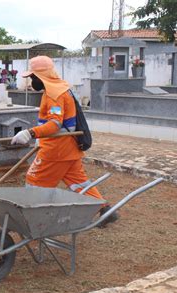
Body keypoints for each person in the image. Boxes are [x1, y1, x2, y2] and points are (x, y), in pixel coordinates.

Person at [11, 55, 118, 227]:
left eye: (33, 77)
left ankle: (36, 218)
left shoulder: (54, 94)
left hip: (56, 150)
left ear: (42, 76)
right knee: (78, 182)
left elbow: (55, 123)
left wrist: (30, 133)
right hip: (69, 148)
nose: (31, 81)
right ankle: (105, 209)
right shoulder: (61, 87)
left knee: (34, 179)